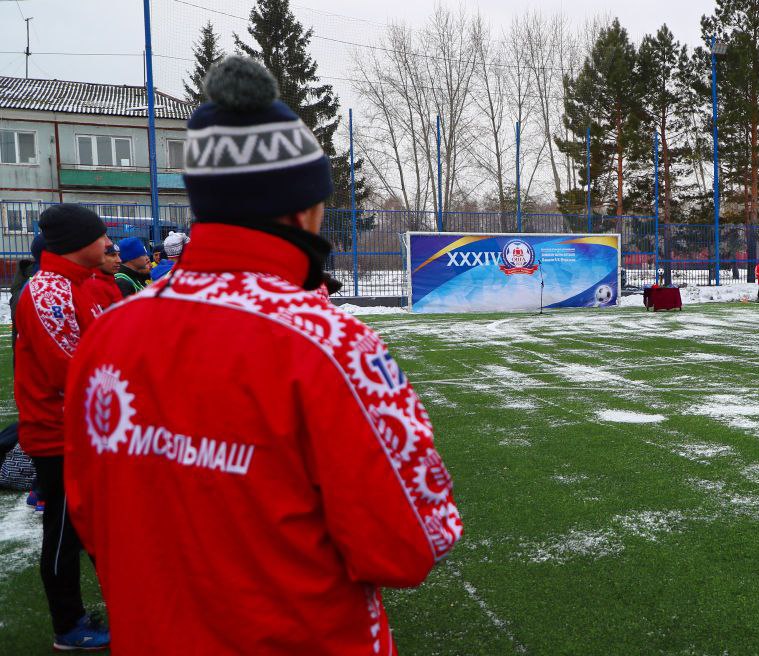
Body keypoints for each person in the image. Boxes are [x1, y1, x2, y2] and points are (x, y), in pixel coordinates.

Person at [63, 55, 461, 654]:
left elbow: (91, 514)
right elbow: (409, 544)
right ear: (303, 208)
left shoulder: (107, 334)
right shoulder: (329, 343)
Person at [13, 204, 113, 650]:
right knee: (65, 533)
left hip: (84, 429)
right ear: (78, 242)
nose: (107, 243)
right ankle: (68, 624)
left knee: (93, 526)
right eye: (100, 235)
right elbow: (70, 370)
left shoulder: (80, 283)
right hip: (60, 434)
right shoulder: (48, 290)